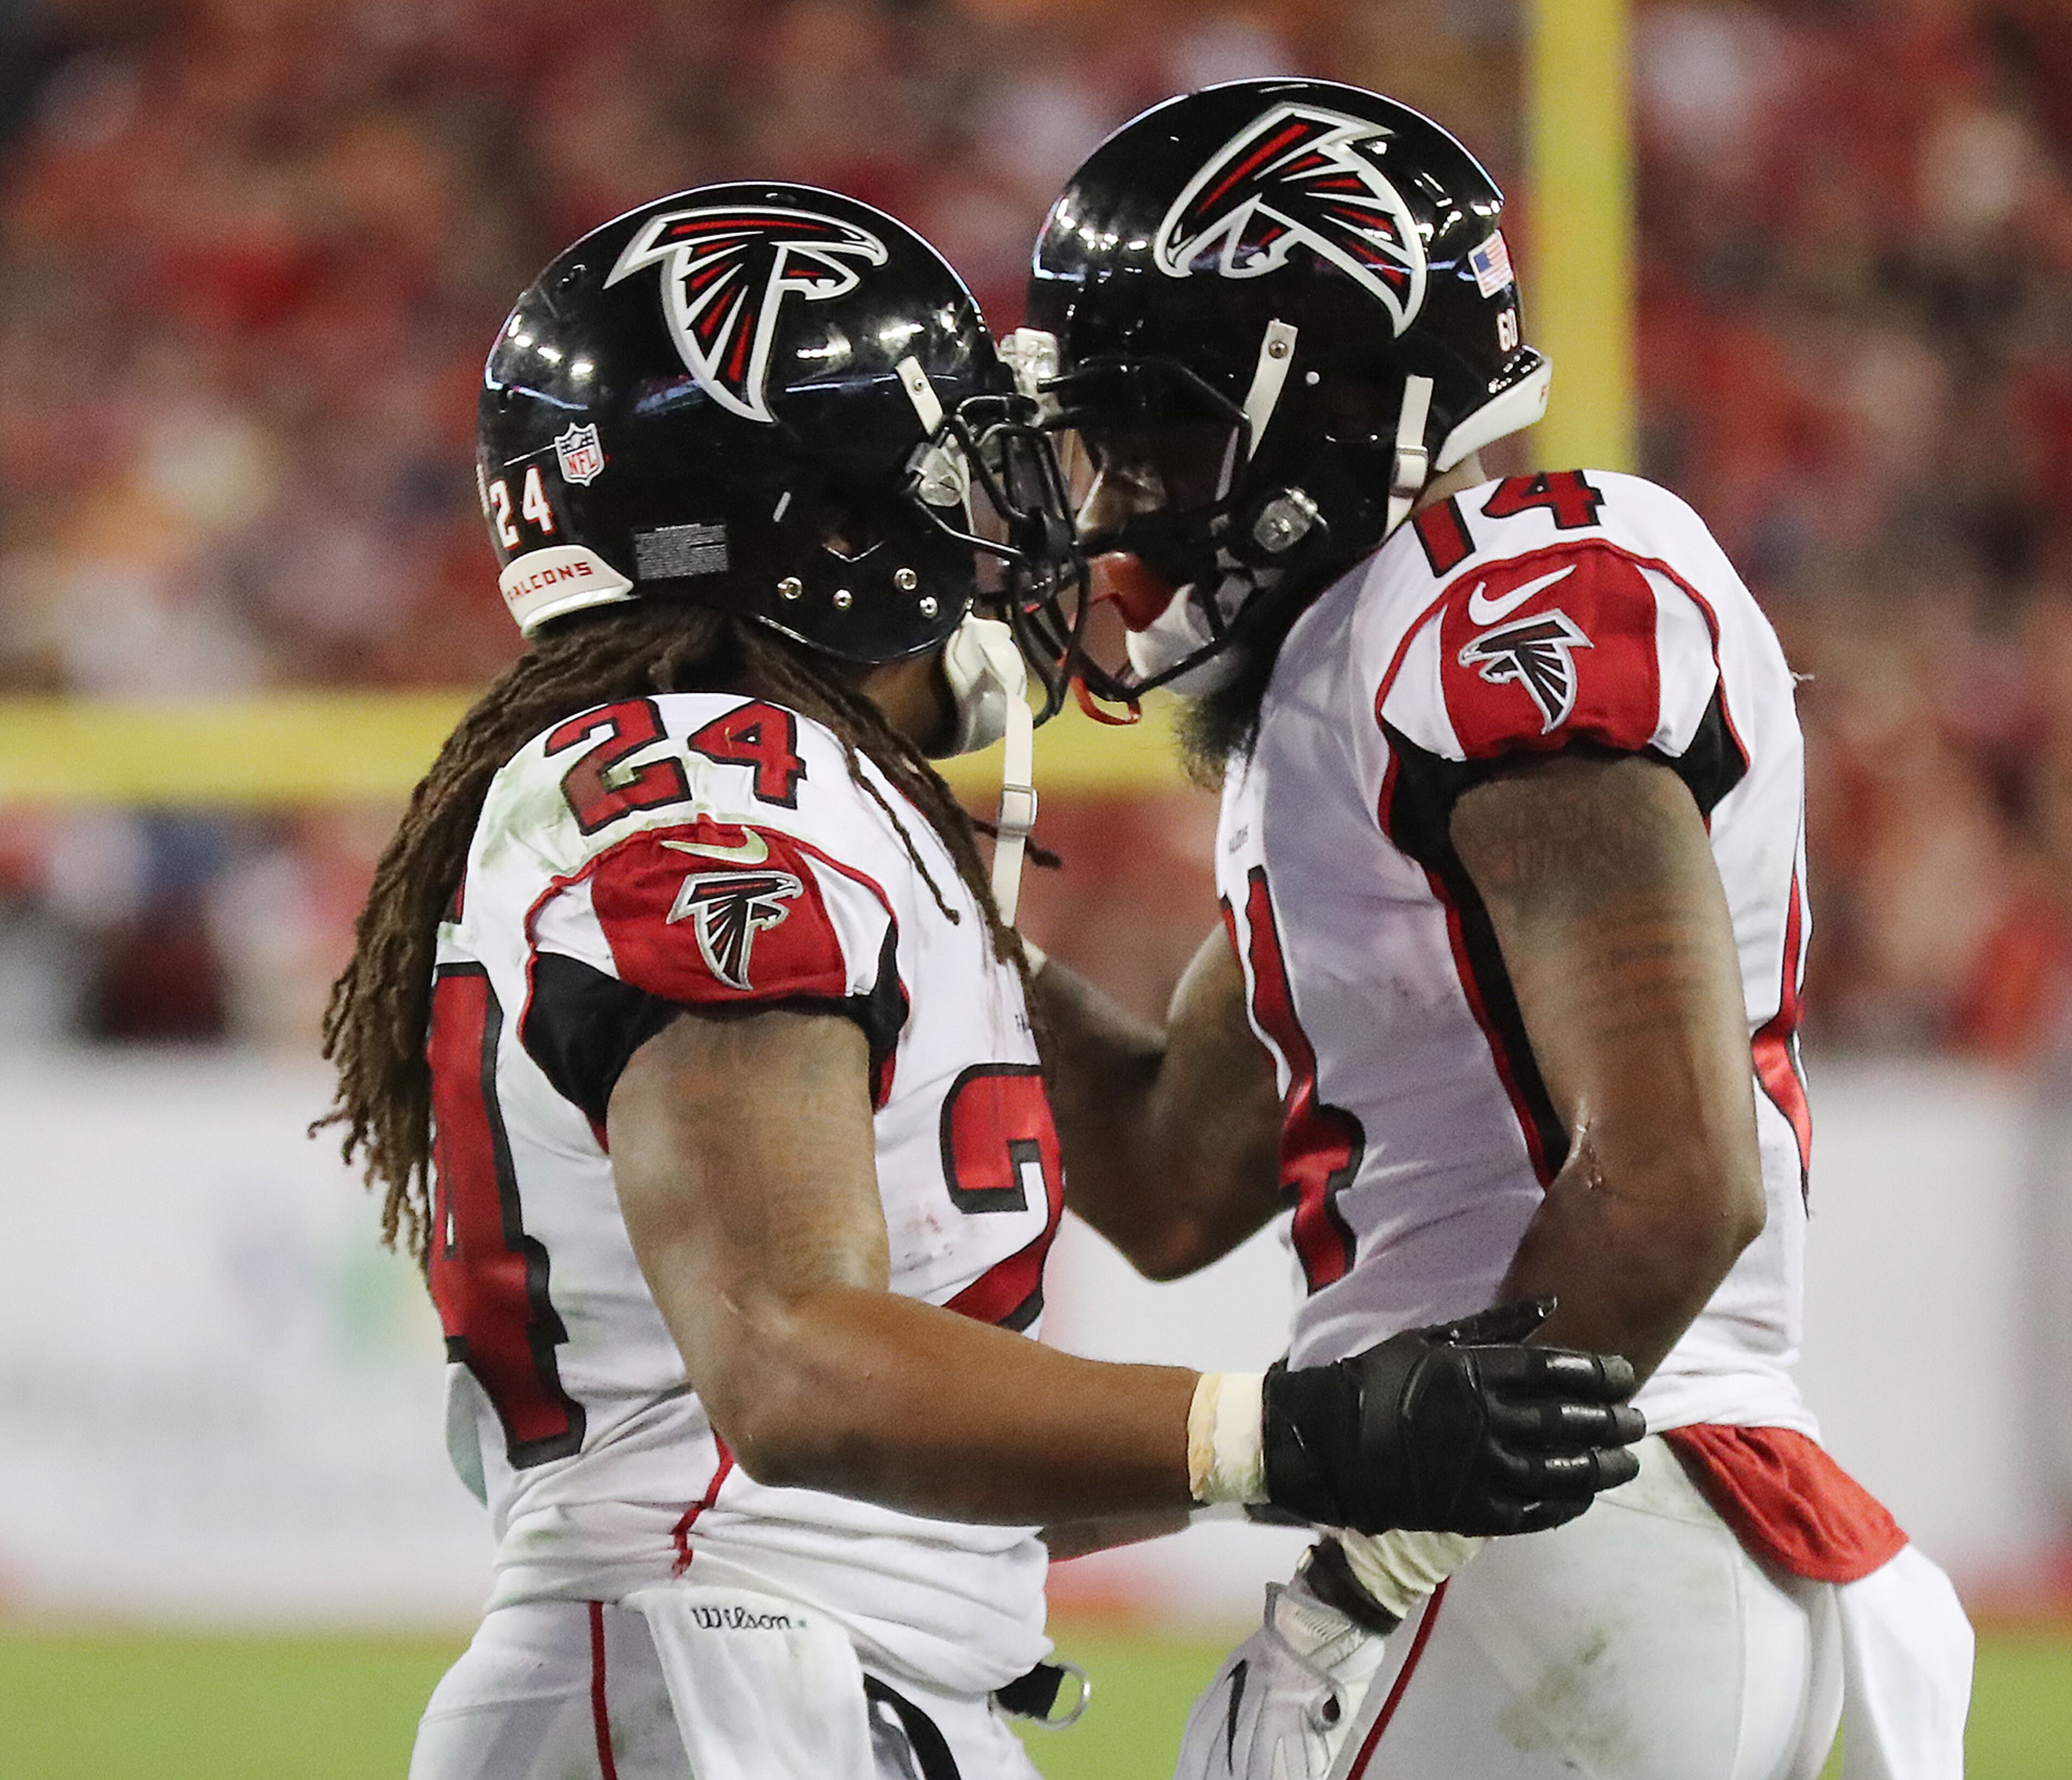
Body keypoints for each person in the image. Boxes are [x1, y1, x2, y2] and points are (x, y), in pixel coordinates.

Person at [315, 182, 1645, 1780]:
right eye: (955, 466)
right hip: (719, 1678)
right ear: (823, 520)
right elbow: (796, 1363)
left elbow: (962, 1423)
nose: (1009, 513)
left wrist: (1318, 1444)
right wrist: (1296, 1427)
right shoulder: (714, 791)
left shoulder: (790, 788)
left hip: (793, 1663)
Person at [1014, 79, 1977, 1780]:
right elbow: (1170, 1172)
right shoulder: (1357, 664)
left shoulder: (1498, 595)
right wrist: (955, 930)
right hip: (1600, 1516)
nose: (1121, 491)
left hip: (1576, 1509)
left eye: (1158, 427)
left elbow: (1675, 1172)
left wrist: (1396, 1538)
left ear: (1322, 400)